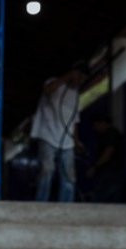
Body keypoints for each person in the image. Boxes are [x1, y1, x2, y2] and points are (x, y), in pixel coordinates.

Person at [30, 62, 89, 202]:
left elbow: (74, 121)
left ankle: (66, 206)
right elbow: (47, 90)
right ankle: (41, 203)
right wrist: (67, 76)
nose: (80, 82)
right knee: (47, 169)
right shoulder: (54, 83)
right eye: (79, 78)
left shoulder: (75, 95)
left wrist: (76, 141)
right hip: (48, 134)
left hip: (66, 141)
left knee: (69, 176)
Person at [86, 115, 125, 202]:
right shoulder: (107, 135)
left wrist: (95, 167)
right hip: (110, 171)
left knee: (104, 196)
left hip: (111, 172)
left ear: (103, 123)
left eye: (96, 125)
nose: (95, 128)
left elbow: (108, 153)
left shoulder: (111, 134)